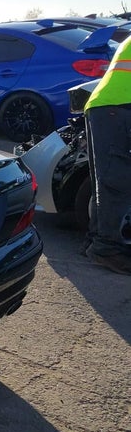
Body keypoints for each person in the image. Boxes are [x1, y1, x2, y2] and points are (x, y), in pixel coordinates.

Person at [83, 35, 131, 275]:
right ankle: (107, 249)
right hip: (118, 108)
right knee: (118, 182)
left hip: (106, 107)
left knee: (105, 181)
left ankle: (96, 240)